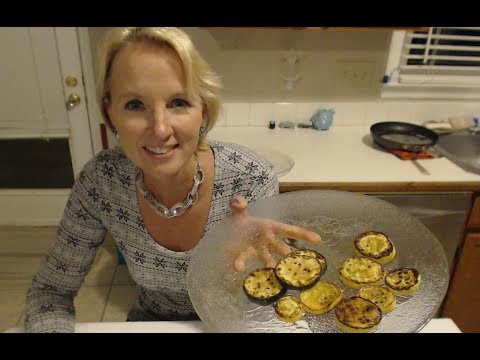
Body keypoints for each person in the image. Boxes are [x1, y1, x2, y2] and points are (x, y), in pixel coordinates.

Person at [25, 27, 321, 333]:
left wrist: (242, 265)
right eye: (135, 105)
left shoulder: (251, 179)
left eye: (178, 102)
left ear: (202, 112)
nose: (160, 129)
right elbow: (50, 293)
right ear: (110, 112)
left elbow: (280, 301)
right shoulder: (102, 183)